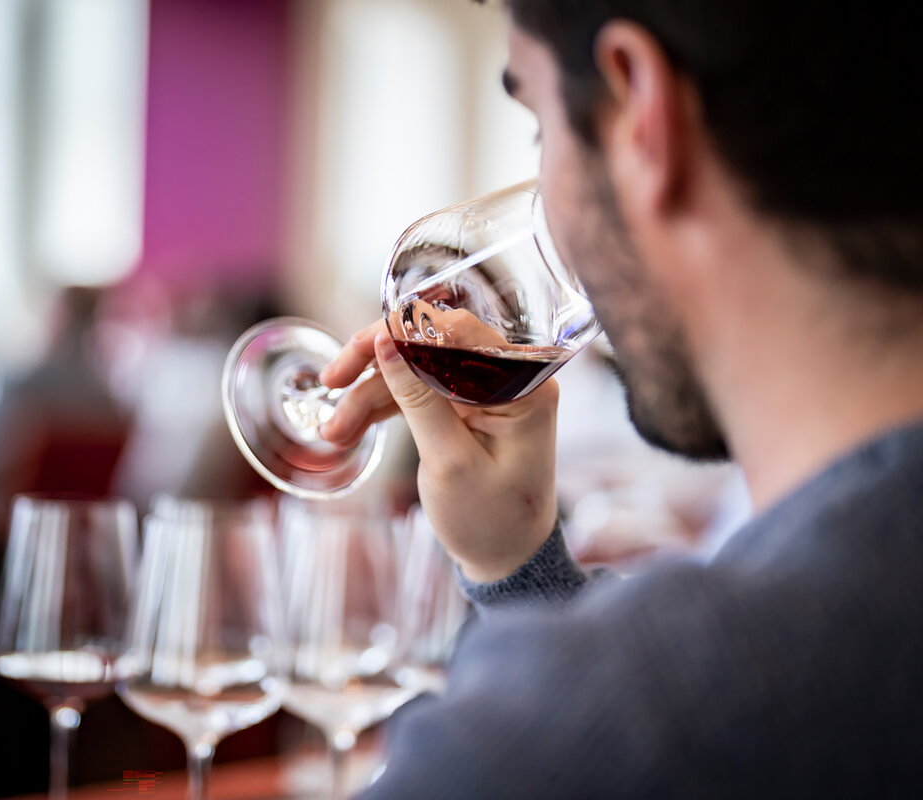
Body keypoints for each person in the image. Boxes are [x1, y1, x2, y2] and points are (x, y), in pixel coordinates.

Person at [317, 1, 923, 796]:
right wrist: (516, 566)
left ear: (641, 109)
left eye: (539, 128)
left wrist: (556, 694)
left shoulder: (586, 730)